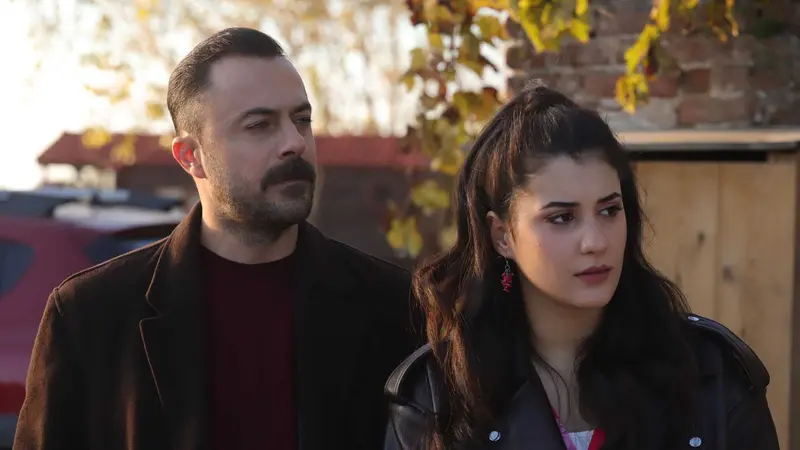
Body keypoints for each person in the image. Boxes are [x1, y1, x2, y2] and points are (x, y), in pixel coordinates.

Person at [14, 27, 421, 450]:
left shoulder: (394, 305)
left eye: (301, 120)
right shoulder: (91, 315)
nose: (294, 143)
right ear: (192, 157)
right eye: (260, 125)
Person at [383, 83, 779, 450]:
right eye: (562, 218)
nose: (595, 242)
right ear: (502, 236)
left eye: (609, 210)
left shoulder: (710, 374)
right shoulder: (438, 397)